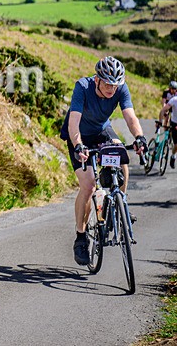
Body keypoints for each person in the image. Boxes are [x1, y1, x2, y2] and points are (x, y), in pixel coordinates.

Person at [60, 56, 147, 266]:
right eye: (107, 83)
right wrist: (79, 145)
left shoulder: (120, 88)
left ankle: (120, 204)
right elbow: (74, 122)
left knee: (121, 158)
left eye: (115, 84)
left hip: (101, 130)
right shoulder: (82, 87)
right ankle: (81, 238)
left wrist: (139, 137)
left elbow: (130, 116)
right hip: (78, 135)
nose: (111, 88)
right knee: (89, 186)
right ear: (97, 79)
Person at [159, 80, 177, 169]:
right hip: (168, 106)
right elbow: (163, 102)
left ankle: (170, 133)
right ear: (170, 88)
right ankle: (166, 131)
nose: (174, 90)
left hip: (174, 109)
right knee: (166, 118)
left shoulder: (176, 94)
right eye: (172, 89)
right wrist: (165, 111)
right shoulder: (166, 93)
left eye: (175, 89)